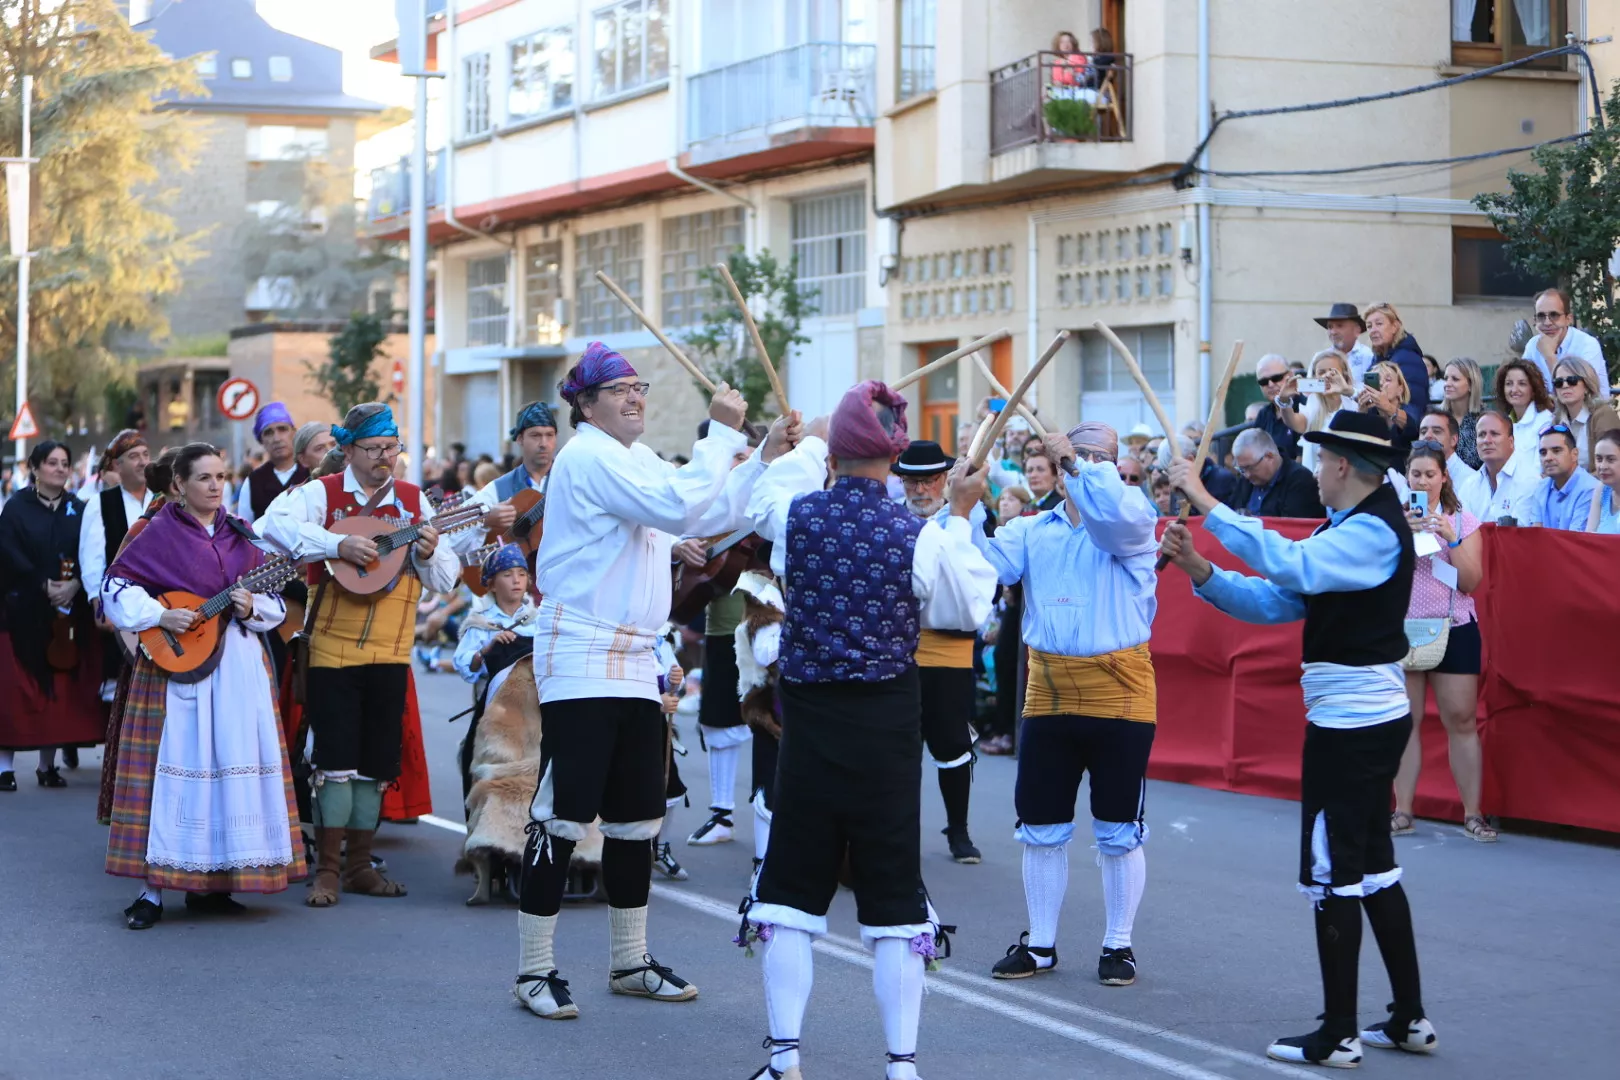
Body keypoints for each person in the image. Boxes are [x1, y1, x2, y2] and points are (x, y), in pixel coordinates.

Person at [512, 342, 790, 1021]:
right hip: (580, 654)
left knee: (638, 818)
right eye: (620, 389)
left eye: (639, 387)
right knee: (565, 814)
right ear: (585, 403)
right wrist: (723, 428)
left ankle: (630, 961)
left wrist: (765, 456)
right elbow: (678, 506)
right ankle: (534, 971)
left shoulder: (633, 458)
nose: (636, 397)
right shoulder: (587, 456)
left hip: (636, 656)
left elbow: (713, 515)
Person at [1159, 410, 1436, 1069]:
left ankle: (1339, 1032)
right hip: (1359, 718)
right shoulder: (1345, 528)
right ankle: (1407, 1018)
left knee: (1333, 870)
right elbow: (1280, 599)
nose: (1312, 470)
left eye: (1319, 460)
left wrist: (1206, 501)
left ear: (1343, 465)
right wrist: (1202, 571)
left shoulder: (1370, 531)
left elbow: (1289, 563)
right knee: (1372, 866)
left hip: (1352, 723)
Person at [737, 381, 996, 1080]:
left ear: (835, 453)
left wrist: (805, 442)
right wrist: (961, 517)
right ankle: (901, 1066)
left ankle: (785, 1057)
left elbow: (760, 497)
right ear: (891, 455)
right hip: (884, 726)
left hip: (812, 724)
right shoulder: (916, 533)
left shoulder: (795, 515)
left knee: (789, 890)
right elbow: (969, 605)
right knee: (892, 894)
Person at [260, 402, 461, 907]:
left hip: (392, 650)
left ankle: (359, 865)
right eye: (373, 449)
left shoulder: (415, 502)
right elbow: (271, 527)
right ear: (347, 449)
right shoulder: (319, 494)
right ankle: (327, 868)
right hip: (331, 647)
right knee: (334, 756)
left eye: (391, 448)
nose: (384, 458)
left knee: (376, 760)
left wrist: (431, 551)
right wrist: (335, 545)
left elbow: (446, 578)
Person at [983, 422, 1160, 990]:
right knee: (1040, 824)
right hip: (1050, 692)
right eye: (1070, 457)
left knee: (1117, 827)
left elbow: (1111, 516)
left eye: (1094, 457)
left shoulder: (1131, 519)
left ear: (1112, 465)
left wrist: (1082, 468)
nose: (1077, 464)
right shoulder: (1033, 529)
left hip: (1120, 693)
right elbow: (984, 566)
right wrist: (959, 507)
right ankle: (1039, 944)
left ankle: (1119, 944)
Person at [102, 442, 305, 929]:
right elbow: (115, 587)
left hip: (237, 668)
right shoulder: (157, 534)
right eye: (204, 478)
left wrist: (252, 607)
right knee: (174, 770)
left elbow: (279, 602)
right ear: (179, 485)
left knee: (229, 768)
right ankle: (150, 892)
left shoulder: (242, 534)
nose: (215, 486)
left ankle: (214, 885)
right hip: (179, 672)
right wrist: (159, 613)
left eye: (220, 476)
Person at [891, 438, 991, 864]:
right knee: (900, 745)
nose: (920, 490)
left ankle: (959, 829)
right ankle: (897, 830)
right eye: (912, 481)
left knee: (951, 743)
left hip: (950, 646)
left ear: (945, 480)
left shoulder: (969, 518)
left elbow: (982, 582)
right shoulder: (893, 521)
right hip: (900, 647)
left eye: (929, 480)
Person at [1389, 443, 1490, 843]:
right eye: (1416, 475)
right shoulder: (1393, 519)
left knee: (1462, 720)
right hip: (1405, 626)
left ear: (1444, 477)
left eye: (1430, 474)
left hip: (1454, 624)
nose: (1423, 481)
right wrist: (1401, 537)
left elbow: (1469, 582)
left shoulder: (1463, 520)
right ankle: (1402, 811)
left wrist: (1449, 538)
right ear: (1407, 477)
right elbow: (1382, 575)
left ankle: (1472, 813)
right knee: (1404, 723)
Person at [672, 421, 759, 849]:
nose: (737, 465)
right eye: (731, 457)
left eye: (743, 456)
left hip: (770, 628)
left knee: (770, 724)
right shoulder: (707, 504)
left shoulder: (772, 493)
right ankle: (721, 814)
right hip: (724, 625)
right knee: (719, 721)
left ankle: (769, 813)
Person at [0, 441, 104, 791]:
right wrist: (41, 584)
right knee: (16, 691)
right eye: (52, 463)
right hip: (20, 609)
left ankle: (48, 766)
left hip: (66, 614)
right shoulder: (16, 508)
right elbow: (8, 553)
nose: (60, 469)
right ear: (35, 467)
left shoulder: (81, 508)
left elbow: (91, 551)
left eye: (64, 463)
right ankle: (4, 768)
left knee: (57, 689)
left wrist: (75, 584)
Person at [453, 544, 540, 802]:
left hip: (535, 715)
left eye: (521, 574)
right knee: (486, 771)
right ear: (491, 584)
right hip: (493, 714)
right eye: (507, 574)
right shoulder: (480, 622)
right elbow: (466, 666)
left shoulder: (540, 621)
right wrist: (487, 650)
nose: (516, 580)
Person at [80, 430, 154, 703]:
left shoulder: (163, 501)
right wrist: (98, 603)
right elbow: (92, 559)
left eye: (145, 455)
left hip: (162, 604)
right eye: (133, 456)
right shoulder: (101, 504)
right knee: (121, 689)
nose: (142, 462)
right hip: (121, 606)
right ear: (116, 466)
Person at [456, 400, 560, 559]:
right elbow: (451, 537)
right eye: (535, 435)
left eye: (549, 435)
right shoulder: (498, 488)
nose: (544, 444)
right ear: (520, 439)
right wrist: (484, 521)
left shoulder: (568, 480)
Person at [1523, 287, 1611, 401]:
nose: (1547, 323)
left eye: (1554, 315)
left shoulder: (1587, 344)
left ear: (1568, 319)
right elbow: (1523, 386)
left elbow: (1579, 393)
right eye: (1541, 316)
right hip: (1549, 414)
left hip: (1590, 414)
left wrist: (1549, 356)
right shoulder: (1532, 345)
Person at [1279, 350, 1356, 474]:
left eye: (1332, 371)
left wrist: (1348, 391)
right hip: (1316, 482)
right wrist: (1284, 400)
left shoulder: (1354, 402)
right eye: (1321, 372)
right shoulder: (1313, 402)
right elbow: (1294, 423)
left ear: (1344, 375)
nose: (1326, 376)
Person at [1455, 411, 1539, 525]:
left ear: (1511, 442)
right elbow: (1463, 531)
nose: (1487, 440)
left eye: (1494, 434)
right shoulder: (1469, 485)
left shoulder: (1529, 480)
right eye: (1481, 435)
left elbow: (1520, 534)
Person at [1225, 429, 1325, 518]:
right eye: (1241, 469)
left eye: (1250, 468)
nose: (1247, 475)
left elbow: (1292, 530)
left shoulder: (1300, 481)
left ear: (1269, 456)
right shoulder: (1247, 480)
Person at [236, 402, 305, 524]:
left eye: (282, 429)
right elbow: (245, 531)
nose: (277, 438)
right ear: (261, 440)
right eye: (268, 432)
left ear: (294, 433)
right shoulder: (253, 482)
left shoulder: (311, 473)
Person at [1549, 356, 1620, 472]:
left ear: (1586, 386)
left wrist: (1575, 486)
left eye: (1572, 380)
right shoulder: (1556, 421)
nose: (1565, 385)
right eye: (1558, 382)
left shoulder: (1603, 415)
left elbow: (1612, 467)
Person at [1363, 302, 1429, 425]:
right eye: (1369, 326)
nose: (1373, 330)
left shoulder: (1408, 359)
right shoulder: (1378, 358)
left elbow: (1413, 410)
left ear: (1395, 326)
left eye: (1379, 324)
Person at [1529, 424, 1600, 531]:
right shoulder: (1541, 487)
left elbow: (1574, 541)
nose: (1548, 458)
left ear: (1574, 454)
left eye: (1556, 451)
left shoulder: (1590, 489)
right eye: (1543, 453)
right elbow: (1535, 535)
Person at [1493, 358, 1555, 476]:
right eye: (1509, 384)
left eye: (1522, 384)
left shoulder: (1546, 421)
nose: (1514, 390)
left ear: (1533, 389)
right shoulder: (1503, 424)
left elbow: (1542, 472)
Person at [1357, 360, 1418, 459]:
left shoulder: (1409, 410)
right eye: (1376, 379)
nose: (1381, 383)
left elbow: (1411, 429)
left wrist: (1386, 406)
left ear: (1400, 389)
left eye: (1388, 380)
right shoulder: (1369, 412)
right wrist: (1361, 414)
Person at [1252, 354, 1304, 461]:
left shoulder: (1305, 406)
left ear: (1290, 375)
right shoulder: (1263, 414)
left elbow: (1302, 461)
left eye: (1276, 378)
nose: (1270, 384)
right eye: (1263, 382)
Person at [1437, 357, 1485, 469]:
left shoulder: (1484, 419)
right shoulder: (1437, 418)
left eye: (1455, 379)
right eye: (1446, 378)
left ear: (1471, 384)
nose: (1447, 384)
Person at [1314, 303, 1376, 385]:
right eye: (1330, 327)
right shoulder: (1319, 358)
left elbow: (1372, 391)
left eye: (1339, 326)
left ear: (1357, 330)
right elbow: (1309, 391)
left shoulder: (1369, 356)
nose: (1333, 332)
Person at [1587, 430, 1620, 533]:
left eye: (1610, 459)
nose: (1602, 466)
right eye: (1599, 459)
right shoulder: (1602, 489)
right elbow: (1589, 538)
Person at [1021, 441, 1063, 512]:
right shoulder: (1025, 508)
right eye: (1029, 470)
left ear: (1054, 475)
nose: (1033, 475)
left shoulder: (1060, 507)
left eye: (1040, 470)